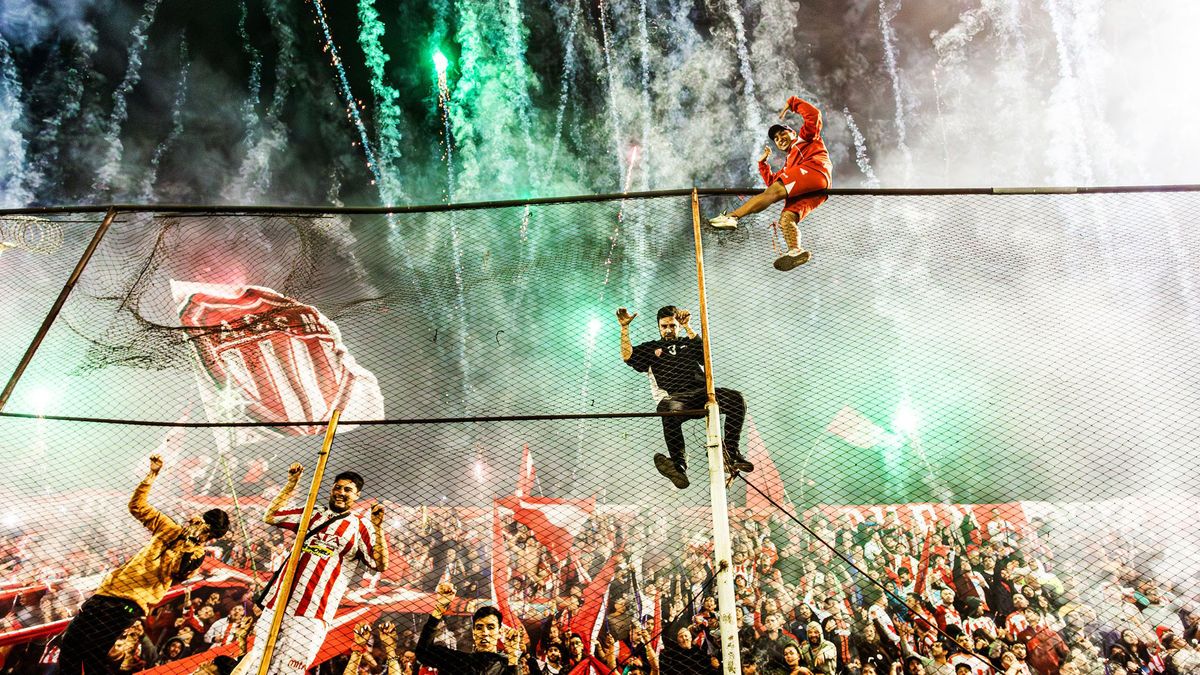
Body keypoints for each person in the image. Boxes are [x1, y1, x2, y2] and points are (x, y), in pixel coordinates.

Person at [58, 454, 230, 674]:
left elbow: (176, 571)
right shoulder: (169, 528)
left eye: (208, 532)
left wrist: (190, 541)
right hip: (106, 592)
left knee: (93, 656)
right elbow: (136, 506)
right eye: (204, 525)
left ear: (211, 536)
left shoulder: (196, 556)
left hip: (128, 604)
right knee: (70, 648)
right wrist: (152, 474)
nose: (202, 531)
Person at [234, 463, 388, 675]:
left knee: (291, 670)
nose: (340, 493)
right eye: (338, 487)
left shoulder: (360, 525)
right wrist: (291, 484)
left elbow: (381, 564)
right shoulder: (312, 513)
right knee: (257, 664)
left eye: (347, 490)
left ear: (357, 495)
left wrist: (378, 529)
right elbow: (271, 515)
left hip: (314, 611)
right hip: (278, 602)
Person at [617, 305, 753, 489]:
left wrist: (688, 326)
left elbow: (705, 355)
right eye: (664, 326)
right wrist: (624, 328)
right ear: (658, 326)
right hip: (676, 399)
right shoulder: (651, 348)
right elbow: (628, 356)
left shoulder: (688, 341)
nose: (668, 330)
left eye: (672, 326)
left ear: (677, 326)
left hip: (703, 394)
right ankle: (678, 465)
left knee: (736, 398)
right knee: (667, 409)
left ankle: (729, 452)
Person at [709, 95, 833, 272]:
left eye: (782, 133)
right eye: (775, 138)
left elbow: (814, 115)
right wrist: (762, 164)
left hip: (814, 172)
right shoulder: (789, 165)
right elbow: (772, 183)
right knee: (786, 218)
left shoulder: (805, 139)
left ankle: (732, 217)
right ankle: (795, 250)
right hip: (816, 190)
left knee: (774, 192)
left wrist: (793, 103)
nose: (779, 138)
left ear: (793, 133)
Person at [415, 581, 523, 674]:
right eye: (479, 627)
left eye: (490, 627)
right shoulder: (457, 660)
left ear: (499, 632)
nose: (484, 632)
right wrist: (439, 608)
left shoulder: (505, 664)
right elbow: (423, 652)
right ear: (474, 632)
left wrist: (513, 655)